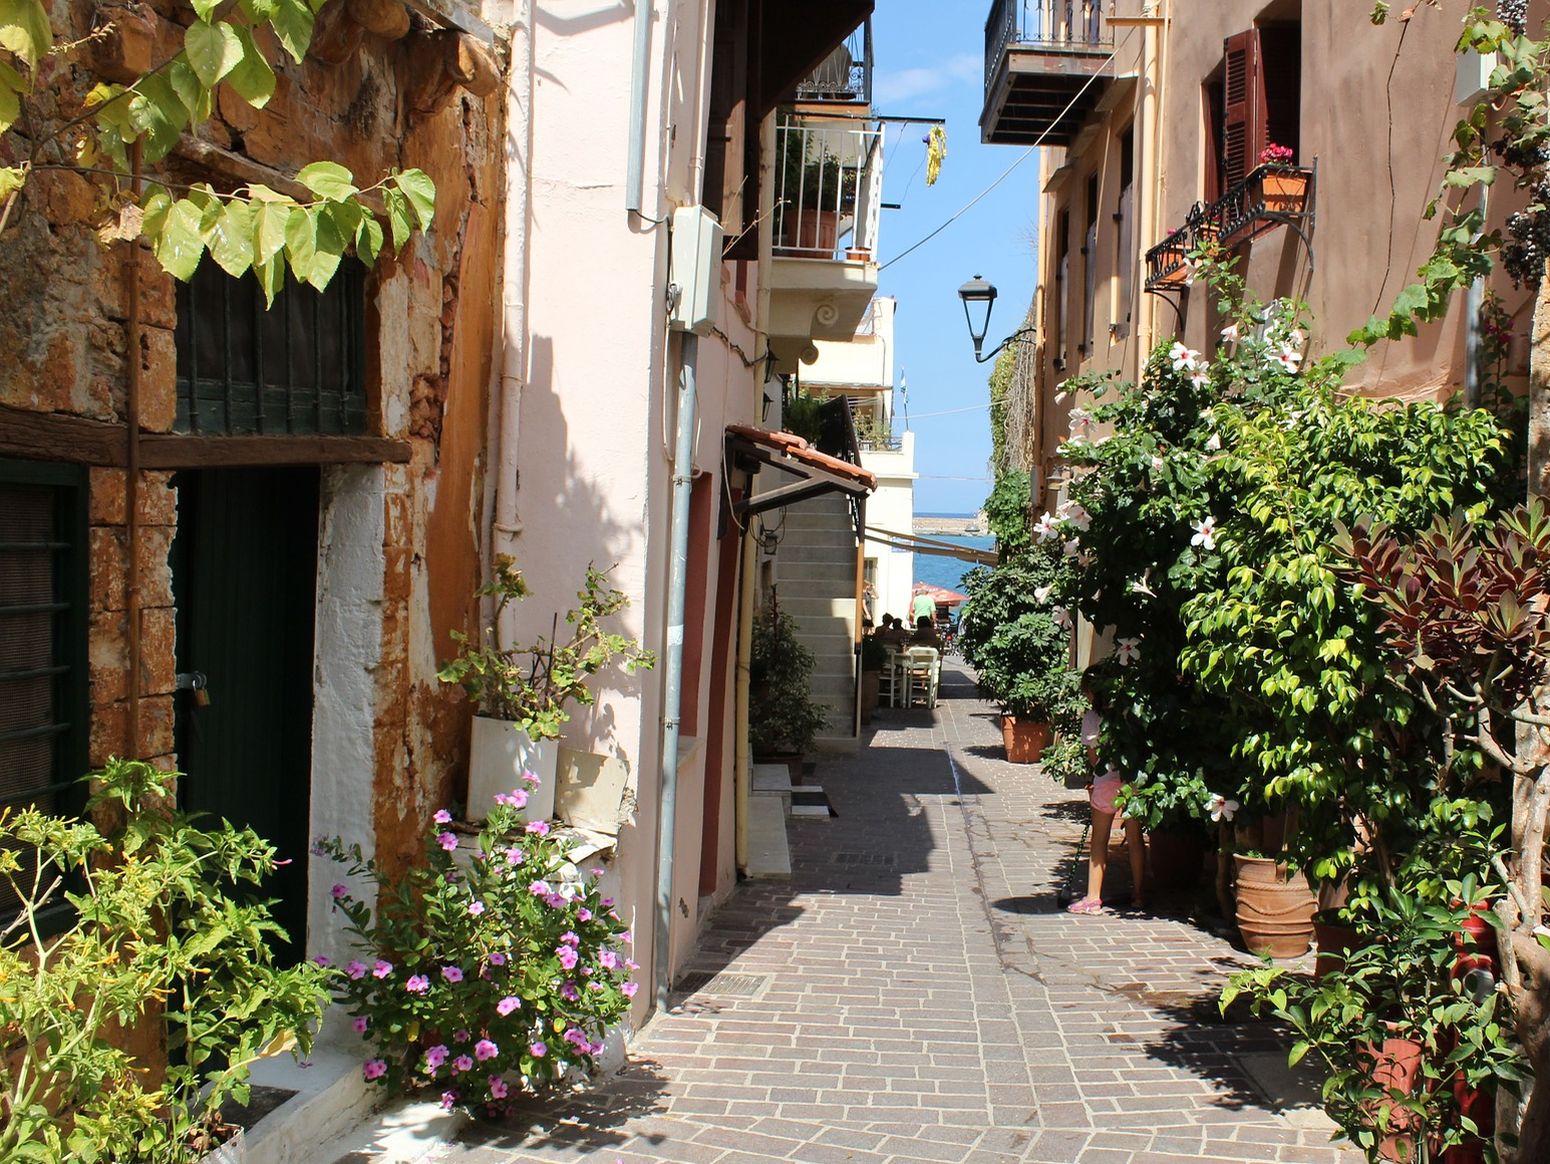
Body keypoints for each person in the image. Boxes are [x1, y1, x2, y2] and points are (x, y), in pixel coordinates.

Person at [1068, 675, 1145, 915]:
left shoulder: (1092, 718)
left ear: (1093, 693)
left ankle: (1093, 898)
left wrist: (1093, 777)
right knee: (1135, 839)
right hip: (1132, 781)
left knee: (1099, 839)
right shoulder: (1129, 713)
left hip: (1104, 781)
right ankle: (1139, 895)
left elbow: (1094, 757)